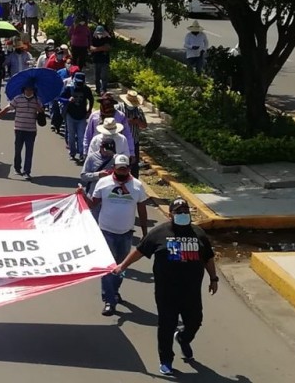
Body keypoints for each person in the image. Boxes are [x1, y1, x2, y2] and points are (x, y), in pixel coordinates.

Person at [113, 198, 218, 376]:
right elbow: (140, 250)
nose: (183, 214)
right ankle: (166, 360)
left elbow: (208, 257)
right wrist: (122, 266)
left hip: (191, 291)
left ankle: (183, 338)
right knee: (166, 326)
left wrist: (213, 278)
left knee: (195, 321)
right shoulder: (160, 233)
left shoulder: (198, 233)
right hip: (166, 291)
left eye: (185, 211)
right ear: (170, 215)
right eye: (179, 211)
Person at [80, 154, 148, 317]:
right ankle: (109, 300)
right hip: (106, 231)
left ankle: (115, 290)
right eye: (119, 169)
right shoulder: (103, 183)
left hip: (126, 233)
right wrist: (82, 194)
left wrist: (145, 233)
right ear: (114, 168)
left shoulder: (137, 186)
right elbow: (93, 204)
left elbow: (142, 210)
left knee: (121, 267)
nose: (122, 172)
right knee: (108, 267)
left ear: (128, 169)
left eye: (124, 169)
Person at [0, 84, 45, 179]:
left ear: (33, 90)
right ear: (24, 90)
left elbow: (41, 112)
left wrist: (39, 109)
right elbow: (7, 109)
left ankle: (27, 171)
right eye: (27, 90)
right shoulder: (17, 99)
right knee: (18, 149)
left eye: (31, 90)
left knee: (29, 151)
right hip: (19, 129)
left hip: (31, 130)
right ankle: (17, 168)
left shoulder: (37, 100)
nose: (29, 91)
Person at [84, 93, 135, 158]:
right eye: (105, 103)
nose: (107, 106)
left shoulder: (120, 116)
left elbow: (127, 135)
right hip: (97, 153)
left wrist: (131, 153)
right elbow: (88, 134)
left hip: (117, 154)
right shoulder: (94, 116)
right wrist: (86, 152)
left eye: (109, 103)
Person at [62, 72, 94, 162]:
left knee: (81, 136)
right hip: (70, 115)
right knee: (71, 135)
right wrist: (68, 100)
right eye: (78, 82)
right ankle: (72, 152)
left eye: (81, 82)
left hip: (82, 115)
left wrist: (89, 110)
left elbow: (91, 99)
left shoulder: (86, 89)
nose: (79, 84)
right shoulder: (69, 88)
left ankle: (81, 154)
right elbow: (60, 97)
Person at [118, 90, 148, 177]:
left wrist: (137, 121)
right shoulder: (118, 108)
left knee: (134, 166)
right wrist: (126, 121)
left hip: (134, 141)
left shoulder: (138, 110)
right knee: (121, 163)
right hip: (121, 142)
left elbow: (144, 125)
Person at [89, 25, 113, 94]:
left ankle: (103, 90)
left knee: (104, 76)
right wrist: (101, 48)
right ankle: (98, 89)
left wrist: (96, 49)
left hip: (105, 60)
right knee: (97, 76)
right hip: (96, 60)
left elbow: (107, 47)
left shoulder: (107, 38)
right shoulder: (93, 38)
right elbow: (91, 48)